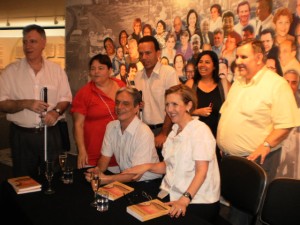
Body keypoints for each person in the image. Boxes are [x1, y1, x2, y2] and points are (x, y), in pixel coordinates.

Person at [123, 84, 220, 223]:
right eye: (167, 104)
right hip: (174, 195)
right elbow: (169, 165)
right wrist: (147, 166)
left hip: (198, 200)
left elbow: (201, 172)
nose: (169, 109)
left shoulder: (200, 131)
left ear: (188, 105)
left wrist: (184, 199)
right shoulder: (174, 130)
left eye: (175, 104)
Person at [217, 39, 299, 183]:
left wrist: (266, 145)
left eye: (243, 57)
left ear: (259, 58)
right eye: (237, 57)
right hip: (231, 159)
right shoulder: (238, 82)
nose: (238, 61)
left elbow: (286, 124)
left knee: (252, 204)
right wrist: (225, 144)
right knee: (236, 202)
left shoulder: (277, 85)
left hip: (256, 161)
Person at [0, 24, 72, 178]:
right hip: (22, 136)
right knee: (24, 179)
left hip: (51, 134)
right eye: (25, 42)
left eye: (33, 41)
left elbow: (65, 98)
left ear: (43, 43)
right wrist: (25, 103)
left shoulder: (56, 71)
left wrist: (56, 111)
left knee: (53, 178)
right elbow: (2, 103)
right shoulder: (10, 72)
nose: (28, 46)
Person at [84, 87, 161, 184]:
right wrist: (97, 171)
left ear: (136, 107)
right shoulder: (111, 126)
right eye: (117, 102)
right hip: (126, 180)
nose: (119, 107)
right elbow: (104, 160)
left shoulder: (144, 132)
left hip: (147, 182)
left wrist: (105, 179)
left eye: (126, 104)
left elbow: (135, 175)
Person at [71, 54, 125, 170]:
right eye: (93, 68)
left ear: (110, 70)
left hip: (120, 152)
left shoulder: (121, 86)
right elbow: (78, 125)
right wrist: (81, 150)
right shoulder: (84, 93)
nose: (96, 72)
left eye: (100, 68)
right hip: (94, 153)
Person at [134, 36, 179, 159]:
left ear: (158, 53)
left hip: (165, 131)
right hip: (144, 133)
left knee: (166, 171)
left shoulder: (169, 73)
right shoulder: (137, 77)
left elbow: (174, 106)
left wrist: (164, 133)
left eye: (148, 53)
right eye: (141, 54)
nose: (144, 57)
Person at [186, 51, 230, 165]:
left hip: (217, 139)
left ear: (214, 66)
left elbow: (230, 112)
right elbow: (180, 110)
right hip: (195, 139)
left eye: (207, 62)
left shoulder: (223, 84)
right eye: (200, 62)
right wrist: (197, 112)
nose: (202, 65)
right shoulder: (191, 84)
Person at [276, 69, 300, 179]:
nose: (290, 85)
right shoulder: (274, 100)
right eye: (287, 82)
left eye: (294, 82)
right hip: (277, 149)